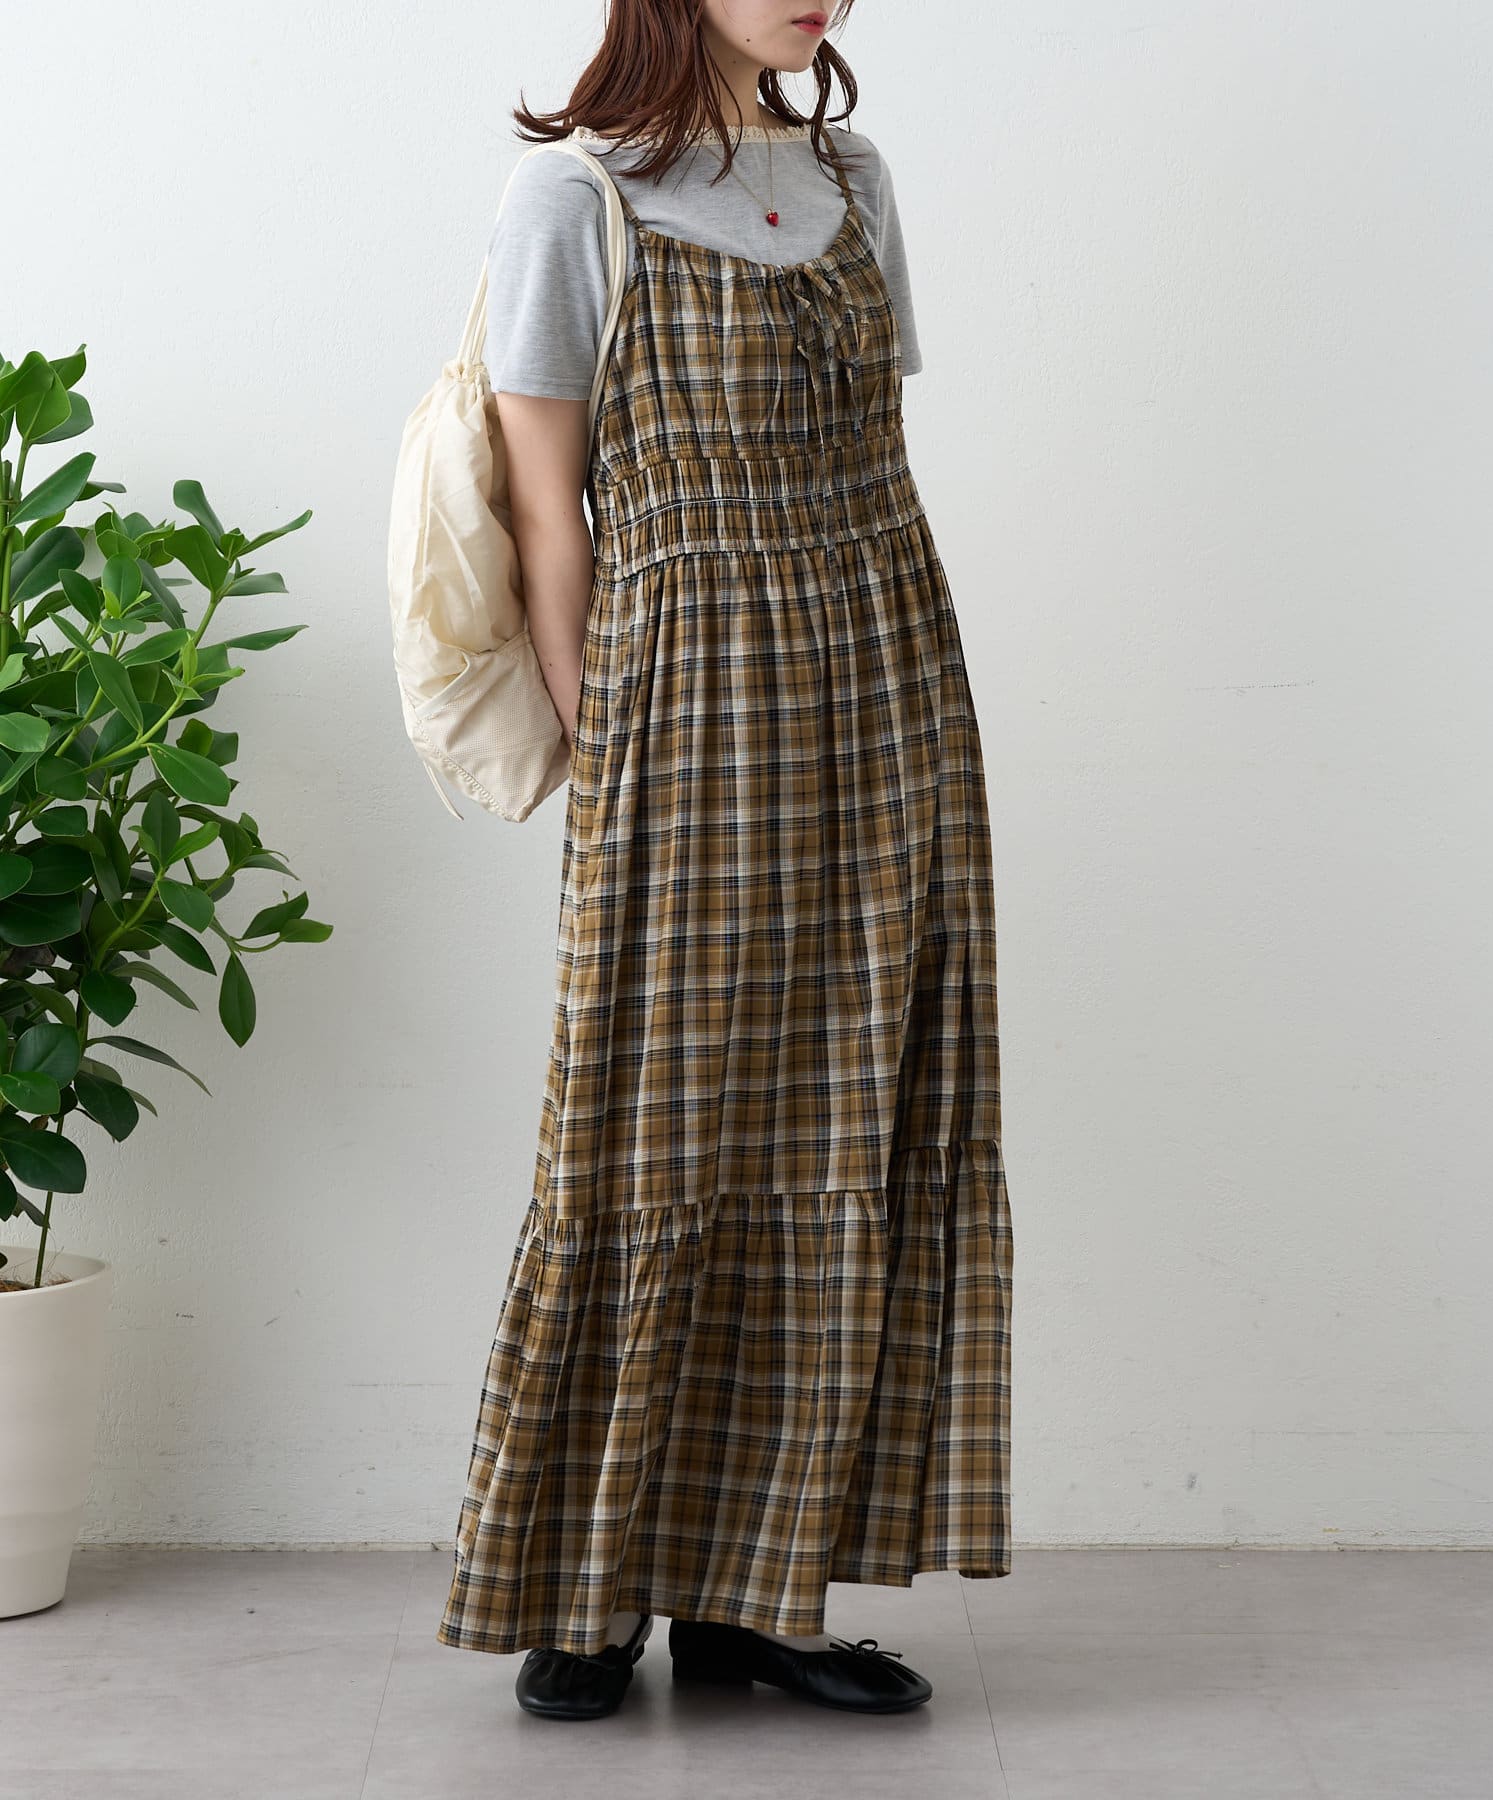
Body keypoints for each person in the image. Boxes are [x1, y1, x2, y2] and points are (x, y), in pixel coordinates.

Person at [436, 0, 1014, 1722]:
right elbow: (548, 502)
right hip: (686, 689)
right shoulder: (577, 195)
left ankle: (763, 1592)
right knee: (653, 1121)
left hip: (888, 673)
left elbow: (876, 457)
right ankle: (592, 1590)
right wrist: (596, 717)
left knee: (848, 1107)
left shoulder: (855, 175)